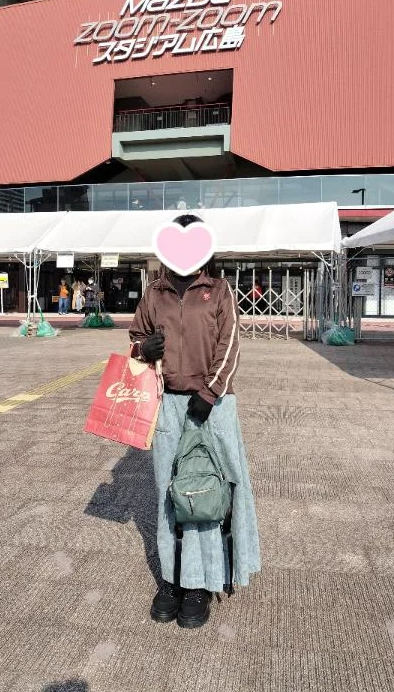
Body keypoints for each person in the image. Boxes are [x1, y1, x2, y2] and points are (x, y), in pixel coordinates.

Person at [129, 214, 260, 629]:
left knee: (209, 491)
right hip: (167, 404)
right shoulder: (155, 293)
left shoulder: (219, 291)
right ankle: (172, 579)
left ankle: (201, 582)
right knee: (169, 492)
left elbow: (230, 345)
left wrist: (210, 392)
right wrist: (144, 349)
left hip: (213, 407)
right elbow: (135, 341)